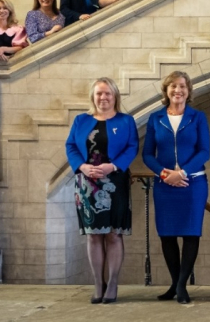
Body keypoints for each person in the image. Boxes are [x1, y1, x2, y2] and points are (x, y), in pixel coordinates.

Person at [65, 77, 138, 304]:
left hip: (115, 181)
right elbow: (71, 146)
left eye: (107, 93)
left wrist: (113, 166)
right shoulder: (81, 120)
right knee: (94, 235)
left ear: (115, 96)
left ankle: (113, 282)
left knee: (113, 234)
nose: (103, 97)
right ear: (93, 97)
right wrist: (82, 166)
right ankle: (98, 283)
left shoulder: (126, 121)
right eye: (99, 94)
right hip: (87, 184)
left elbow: (132, 146)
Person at [142, 71, 210, 304]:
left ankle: (182, 286)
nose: (177, 90)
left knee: (191, 233)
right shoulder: (155, 118)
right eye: (173, 86)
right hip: (164, 184)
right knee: (167, 235)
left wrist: (182, 173)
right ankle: (174, 283)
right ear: (166, 91)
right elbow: (148, 154)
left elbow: (204, 151)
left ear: (188, 91)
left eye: (182, 86)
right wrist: (164, 174)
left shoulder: (197, 117)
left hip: (193, 182)